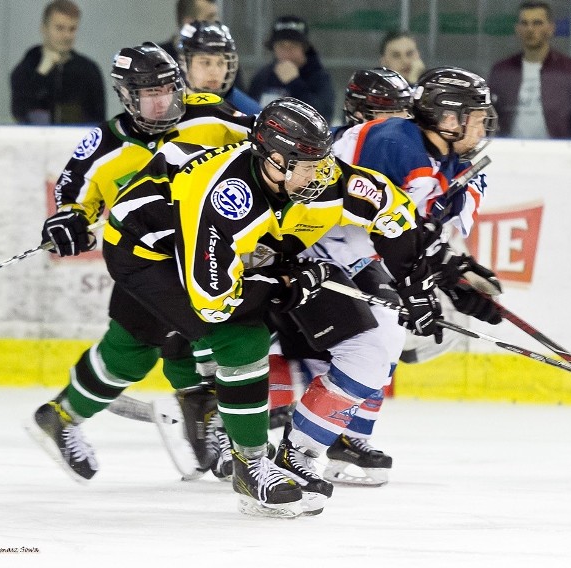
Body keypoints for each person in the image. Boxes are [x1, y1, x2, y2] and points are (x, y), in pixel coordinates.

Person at [101, 97, 441, 517]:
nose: (321, 175)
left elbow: (394, 211)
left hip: (242, 254)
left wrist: (415, 287)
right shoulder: (228, 198)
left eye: (322, 161)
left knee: (357, 343)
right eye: (307, 165)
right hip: (148, 251)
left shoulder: (321, 180)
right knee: (241, 338)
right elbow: (214, 301)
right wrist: (280, 284)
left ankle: (292, 455)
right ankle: (247, 461)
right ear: (275, 161)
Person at [26, 42, 253, 484]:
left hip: (208, 252)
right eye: (150, 94)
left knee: (205, 335)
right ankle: (62, 415)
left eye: (169, 89)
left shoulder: (209, 113)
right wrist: (67, 221)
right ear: (127, 96)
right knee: (130, 355)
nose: (163, 101)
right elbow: (73, 196)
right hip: (144, 261)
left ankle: (213, 424)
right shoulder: (105, 145)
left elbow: (261, 143)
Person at [284, 67, 502, 488]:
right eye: (474, 114)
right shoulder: (394, 144)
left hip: (352, 246)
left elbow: (414, 228)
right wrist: (421, 282)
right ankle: (294, 451)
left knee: (386, 338)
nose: (482, 122)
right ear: (446, 118)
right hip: (308, 237)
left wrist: (453, 275)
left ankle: (340, 439)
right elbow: (385, 223)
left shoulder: (445, 158)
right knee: (366, 347)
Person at [487, 1, 571, 139]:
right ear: (517, 29)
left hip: (557, 154)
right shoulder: (502, 72)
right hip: (511, 153)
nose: (530, 29)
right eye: (525, 23)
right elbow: (487, 120)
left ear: (551, 28)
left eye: (537, 23)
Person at [10, 0, 105, 125]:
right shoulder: (27, 68)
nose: (66, 35)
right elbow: (20, 112)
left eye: (72, 29)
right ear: (44, 28)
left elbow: (98, 120)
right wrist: (41, 72)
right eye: (60, 28)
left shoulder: (88, 71)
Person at [248, 15, 335, 123]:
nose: (286, 51)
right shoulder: (263, 76)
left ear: (304, 48)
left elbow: (323, 117)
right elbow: (249, 110)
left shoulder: (319, 77)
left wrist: (295, 83)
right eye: (281, 46)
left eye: (293, 46)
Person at [177, 20, 261, 115]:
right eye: (205, 62)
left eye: (221, 63)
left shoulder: (249, 111)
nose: (215, 72)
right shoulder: (167, 107)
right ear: (184, 63)